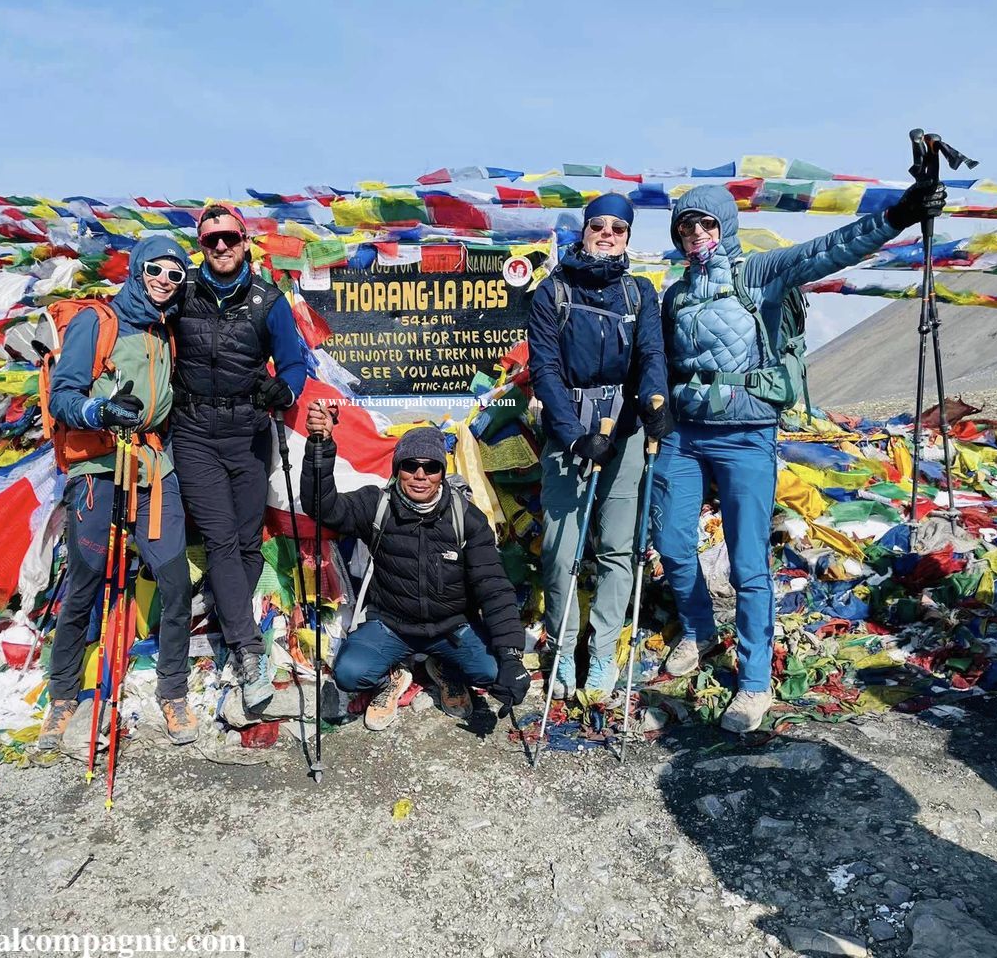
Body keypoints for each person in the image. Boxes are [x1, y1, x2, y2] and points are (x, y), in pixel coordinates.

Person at [653, 179, 947, 733]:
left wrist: (900, 214)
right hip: (684, 434)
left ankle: (755, 682)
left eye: (706, 224)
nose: (696, 234)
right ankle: (697, 630)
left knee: (746, 562)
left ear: (725, 227)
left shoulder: (757, 274)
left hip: (746, 434)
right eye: (686, 227)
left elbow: (827, 249)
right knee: (670, 539)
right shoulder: (676, 294)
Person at [39, 235, 197, 750]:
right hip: (100, 466)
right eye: (155, 270)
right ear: (136, 269)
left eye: (175, 276)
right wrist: (98, 412)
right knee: (85, 579)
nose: (164, 282)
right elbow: (64, 395)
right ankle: (63, 694)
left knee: (174, 580)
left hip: (153, 466)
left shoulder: (165, 330)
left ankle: (173, 690)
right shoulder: (97, 321)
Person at [301, 408, 531, 731]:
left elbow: (494, 588)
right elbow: (322, 508)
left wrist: (511, 655)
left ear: (441, 472)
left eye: (431, 467)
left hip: (451, 628)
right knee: (349, 673)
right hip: (392, 625)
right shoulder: (376, 505)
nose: (420, 475)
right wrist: (320, 447)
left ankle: (444, 666)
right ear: (398, 470)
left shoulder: (467, 519)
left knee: (494, 672)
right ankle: (394, 675)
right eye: (410, 466)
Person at [527, 193, 671, 701]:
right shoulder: (553, 292)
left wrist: (655, 403)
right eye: (598, 226)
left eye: (618, 228)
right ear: (584, 231)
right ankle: (564, 648)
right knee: (561, 548)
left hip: (626, 429)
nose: (607, 234)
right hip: (572, 429)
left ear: (628, 237)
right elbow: (543, 367)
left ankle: (604, 651)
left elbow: (651, 353)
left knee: (619, 548)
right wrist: (572, 434)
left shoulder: (639, 293)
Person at [170, 204, 307, 712]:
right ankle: (250, 653)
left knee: (248, 542)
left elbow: (293, 363)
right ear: (201, 246)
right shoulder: (180, 293)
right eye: (211, 241)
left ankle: (227, 618)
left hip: (249, 431)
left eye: (229, 238)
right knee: (223, 538)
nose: (221, 247)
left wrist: (285, 391)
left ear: (246, 241)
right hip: (194, 432)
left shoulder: (269, 300)